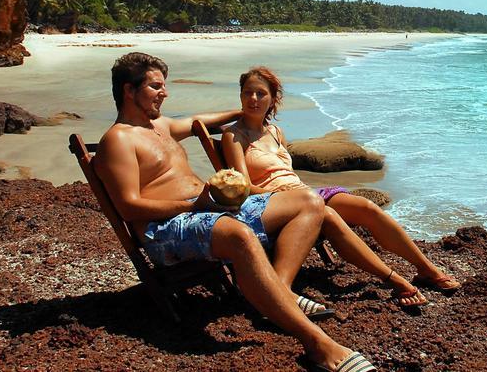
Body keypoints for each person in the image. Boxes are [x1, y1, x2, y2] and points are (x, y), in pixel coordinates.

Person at [96, 52, 377, 372]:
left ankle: (279, 293)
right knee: (239, 235)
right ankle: (318, 344)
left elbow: (202, 121)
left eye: (164, 86)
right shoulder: (118, 140)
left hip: (209, 211)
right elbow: (128, 207)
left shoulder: (159, 125)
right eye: (155, 87)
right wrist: (193, 205)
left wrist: (252, 111)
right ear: (129, 91)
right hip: (167, 228)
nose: (165, 93)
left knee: (309, 201)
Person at [221, 66, 461, 308]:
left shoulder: (275, 132)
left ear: (273, 99)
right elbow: (244, 187)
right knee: (329, 215)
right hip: (273, 201)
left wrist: (299, 193)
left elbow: (288, 174)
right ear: (240, 95)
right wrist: (285, 196)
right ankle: (395, 280)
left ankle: (426, 269)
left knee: (366, 207)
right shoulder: (234, 136)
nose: (253, 99)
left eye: (260, 94)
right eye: (247, 93)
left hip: (302, 192)